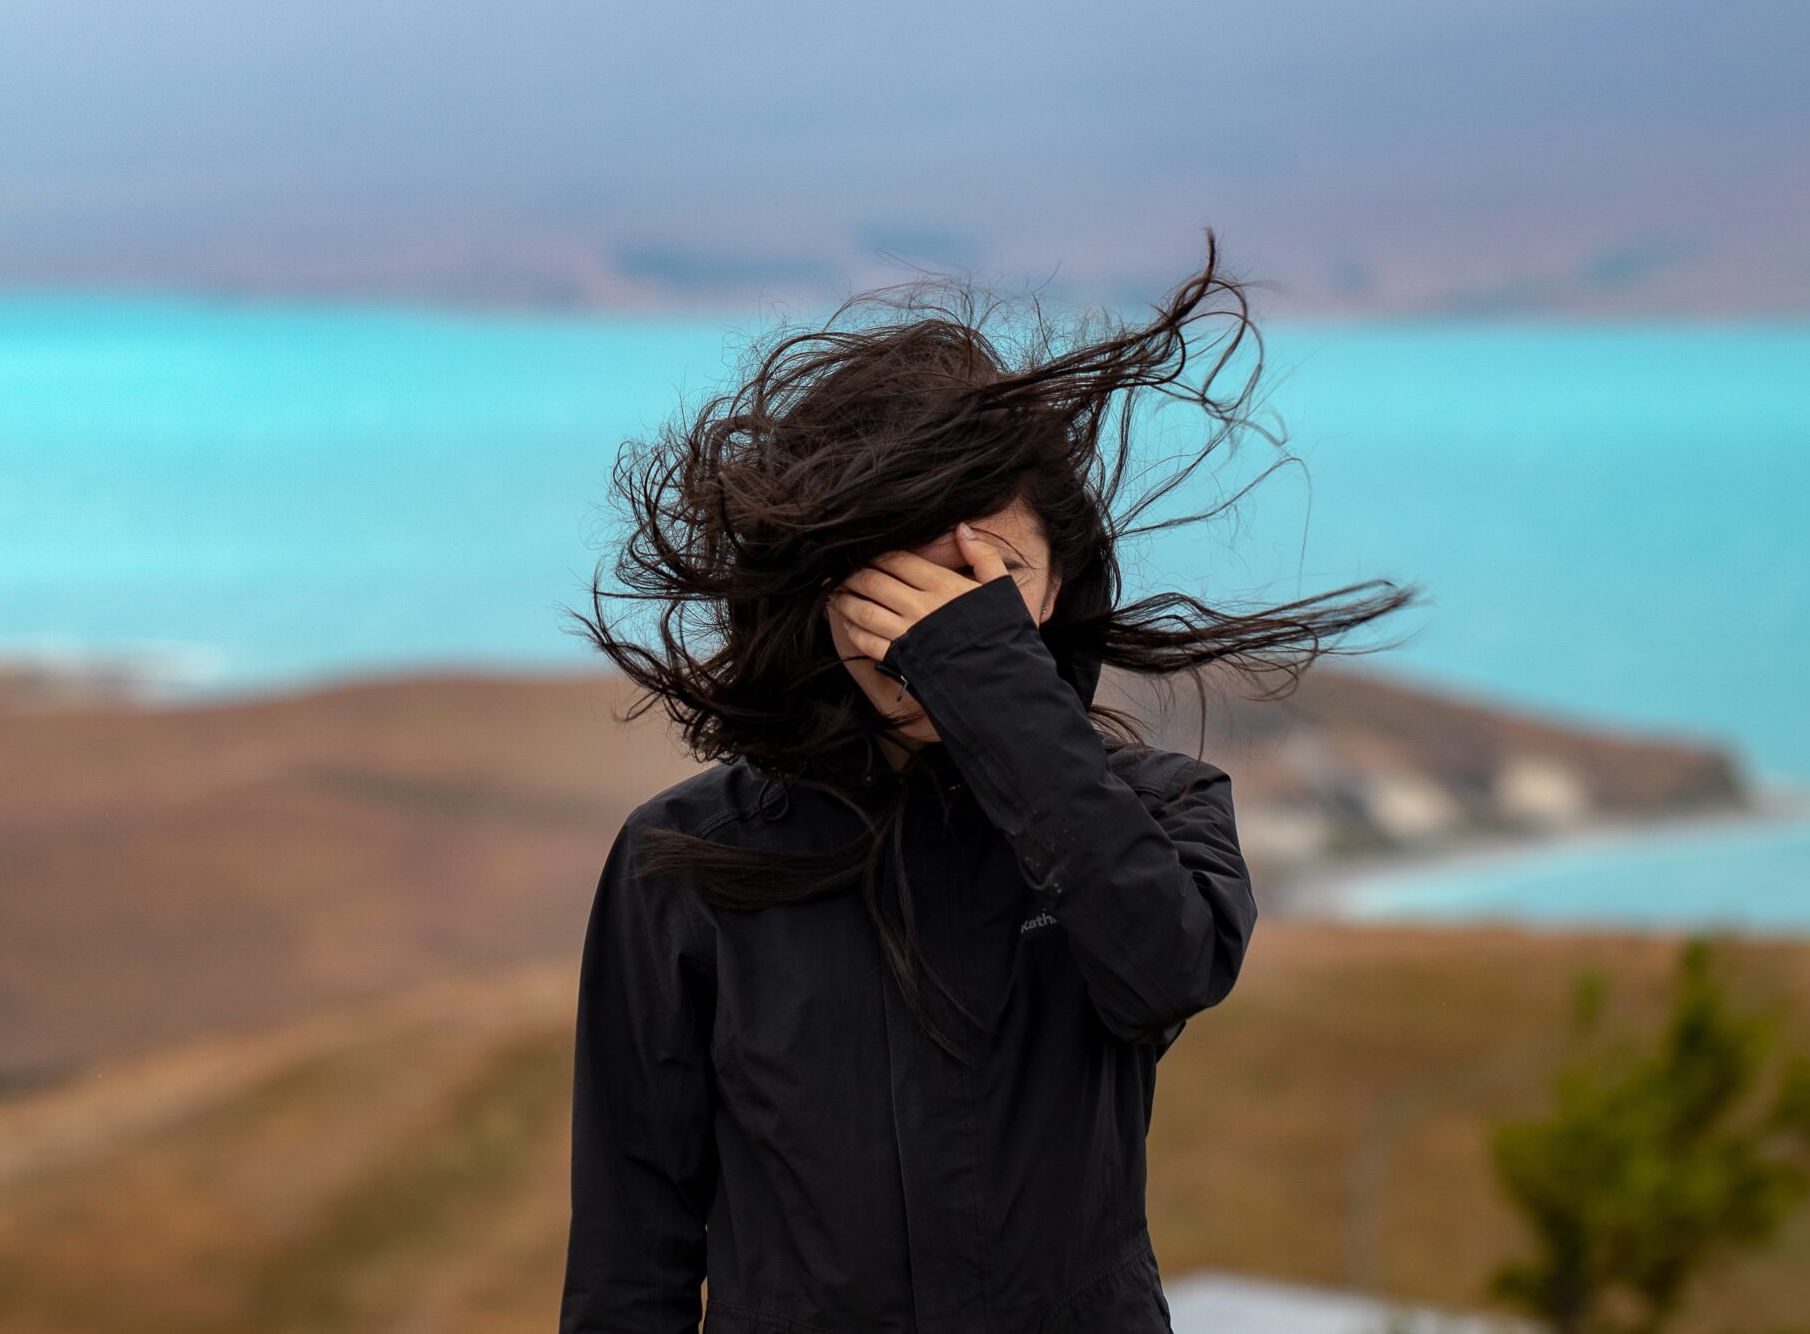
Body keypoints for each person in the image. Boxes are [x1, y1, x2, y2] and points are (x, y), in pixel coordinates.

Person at [559, 231, 1421, 1332]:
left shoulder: (1157, 813)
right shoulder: (681, 861)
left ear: (1057, 585)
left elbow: (1162, 968)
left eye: (984, 578)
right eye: (893, 576)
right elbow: (630, 1259)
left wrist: (984, 678)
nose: (929, 624)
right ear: (822, 582)